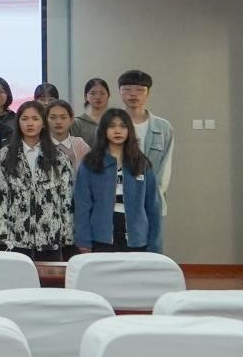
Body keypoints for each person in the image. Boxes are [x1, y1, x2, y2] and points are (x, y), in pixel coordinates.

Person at [0, 101, 74, 261]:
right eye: (25, 119)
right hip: (15, 238)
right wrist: (2, 233)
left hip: (50, 237)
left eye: (35, 119)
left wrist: (66, 233)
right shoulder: (5, 156)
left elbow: (67, 198)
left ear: (43, 123)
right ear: (18, 122)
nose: (30, 123)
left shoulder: (59, 157)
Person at [75, 108, 161, 254]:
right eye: (112, 126)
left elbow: (153, 206)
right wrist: (83, 239)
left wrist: (155, 243)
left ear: (129, 130)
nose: (118, 131)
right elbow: (82, 204)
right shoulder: (91, 162)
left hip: (137, 237)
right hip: (101, 236)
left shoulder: (141, 163)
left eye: (123, 126)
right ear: (104, 130)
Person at [118, 69, 173, 253]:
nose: (133, 94)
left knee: (151, 250)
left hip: (152, 199)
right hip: (119, 200)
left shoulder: (163, 127)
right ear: (119, 92)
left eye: (140, 90)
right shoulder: (111, 125)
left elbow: (165, 167)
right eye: (127, 89)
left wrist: (152, 196)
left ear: (148, 93)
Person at [46, 99, 90, 170]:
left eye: (63, 117)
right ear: (45, 120)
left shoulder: (80, 146)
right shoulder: (39, 145)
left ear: (71, 119)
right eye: (52, 117)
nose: (58, 122)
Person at [72, 77, 109, 148]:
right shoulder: (77, 123)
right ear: (86, 97)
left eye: (102, 93)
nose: (98, 97)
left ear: (108, 96)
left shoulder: (113, 121)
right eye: (93, 93)